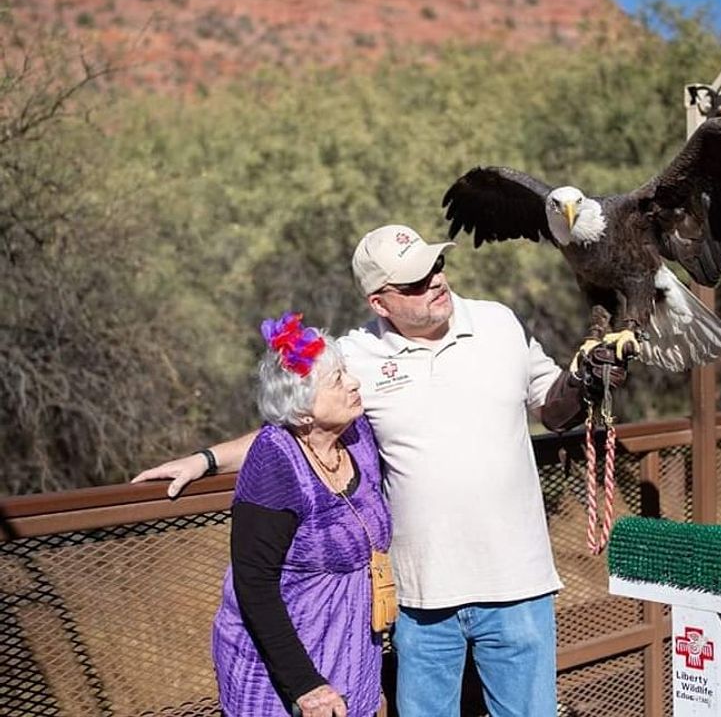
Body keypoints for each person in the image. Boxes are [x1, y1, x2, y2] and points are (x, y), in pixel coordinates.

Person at [134, 224, 626, 717]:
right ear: (379, 302)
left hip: (518, 584)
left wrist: (587, 379)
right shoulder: (355, 359)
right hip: (420, 595)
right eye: (414, 282)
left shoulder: (499, 323)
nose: (435, 281)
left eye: (436, 267)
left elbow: (555, 410)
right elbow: (293, 424)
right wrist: (205, 460)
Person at [211, 312, 391, 717]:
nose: (354, 383)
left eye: (346, 371)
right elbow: (254, 581)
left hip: (353, 650)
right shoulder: (275, 461)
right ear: (303, 411)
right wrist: (305, 686)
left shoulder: (357, 436)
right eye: (337, 380)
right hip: (285, 664)